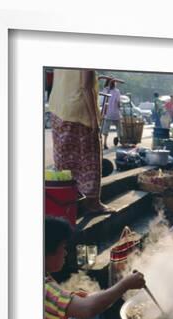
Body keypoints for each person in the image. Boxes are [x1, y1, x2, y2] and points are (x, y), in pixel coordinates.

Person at [44, 216, 146, 319]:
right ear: (47, 252)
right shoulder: (45, 289)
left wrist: (72, 297)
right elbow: (88, 309)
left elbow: (74, 303)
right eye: (62, 247)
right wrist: (125, 284)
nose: (65, 253)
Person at [49, 68, 113, 214]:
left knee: (66, 157)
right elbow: (85, 87)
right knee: (89, 158)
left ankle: (70, 195)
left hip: (58, 107)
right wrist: (94, 119)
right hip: (79, 112)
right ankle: (93, 203)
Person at [101, 80, 122, 150]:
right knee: (119, 127)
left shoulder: (105, 90)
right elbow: (118, 103)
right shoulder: (117, 91)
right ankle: (119, 138)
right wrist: (120, 109)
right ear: (114, 83)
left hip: (107, 113)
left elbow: (103, 101)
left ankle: (105, 143)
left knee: (106, 129)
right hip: (115, 113)